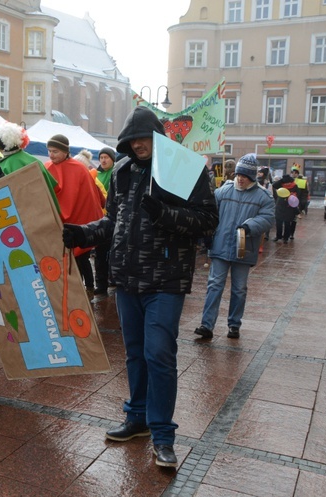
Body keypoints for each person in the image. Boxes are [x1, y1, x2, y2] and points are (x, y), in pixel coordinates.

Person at [62, 106, 218, 468]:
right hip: (127, 278)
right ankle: (137, 419)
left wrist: (165, 213)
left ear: (158, 137)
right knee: (134, 353)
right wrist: (84, 233)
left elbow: (208, 221)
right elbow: (113, 221)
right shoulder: (122, 171)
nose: (138, 145)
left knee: (159, 355)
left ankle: (163, 435)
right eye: (132, 139)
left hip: (166, 279)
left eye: (145, 138)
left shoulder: (183, 168)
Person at [194, 154, 275, 340]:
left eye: (245, 176)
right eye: (238, 174)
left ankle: (234, 325)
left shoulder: (263, 196)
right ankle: (207, 325)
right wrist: (207, 235)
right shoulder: (224, 190)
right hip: (220, 245)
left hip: (243, 249)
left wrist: (250, 226)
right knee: (214, 285)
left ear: (252, 177)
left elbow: (268, 219)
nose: (240, 178)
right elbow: (210, 212)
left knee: (239, 289)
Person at [45, 135, 105, 301]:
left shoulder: (79, 169)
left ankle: (87, 289)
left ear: (65, 151)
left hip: (78, 222)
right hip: (57, 224)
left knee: (81, 259)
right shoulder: (46, 167)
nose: (51, 155)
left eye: (55, 151)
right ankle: (69, 293)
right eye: (49, 151)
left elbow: (88, 199)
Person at [0, 122, 60, 209]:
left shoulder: (3, 165)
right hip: (42, 212)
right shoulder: (33, 160)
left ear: (2, 146)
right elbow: (53, 186)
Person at [92, 147, 117, 299]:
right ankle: (100, 284)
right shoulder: (96, 174)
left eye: (106, 157)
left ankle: (112, 278)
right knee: (100, 253)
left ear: (112, 159)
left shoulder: (116, 172)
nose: (103, 160)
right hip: (98, 219)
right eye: (101, 157)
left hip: (113, 218)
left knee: (112, 252)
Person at [271, 169, 300, 243]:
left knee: (279, 222)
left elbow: (274, 185)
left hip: (280, 205)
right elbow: (298, 195)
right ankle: (286, 238)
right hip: (290, 205)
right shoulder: (294, 185)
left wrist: (281, 180)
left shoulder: (281, 185)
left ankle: (278, 236)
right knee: (287, 223)